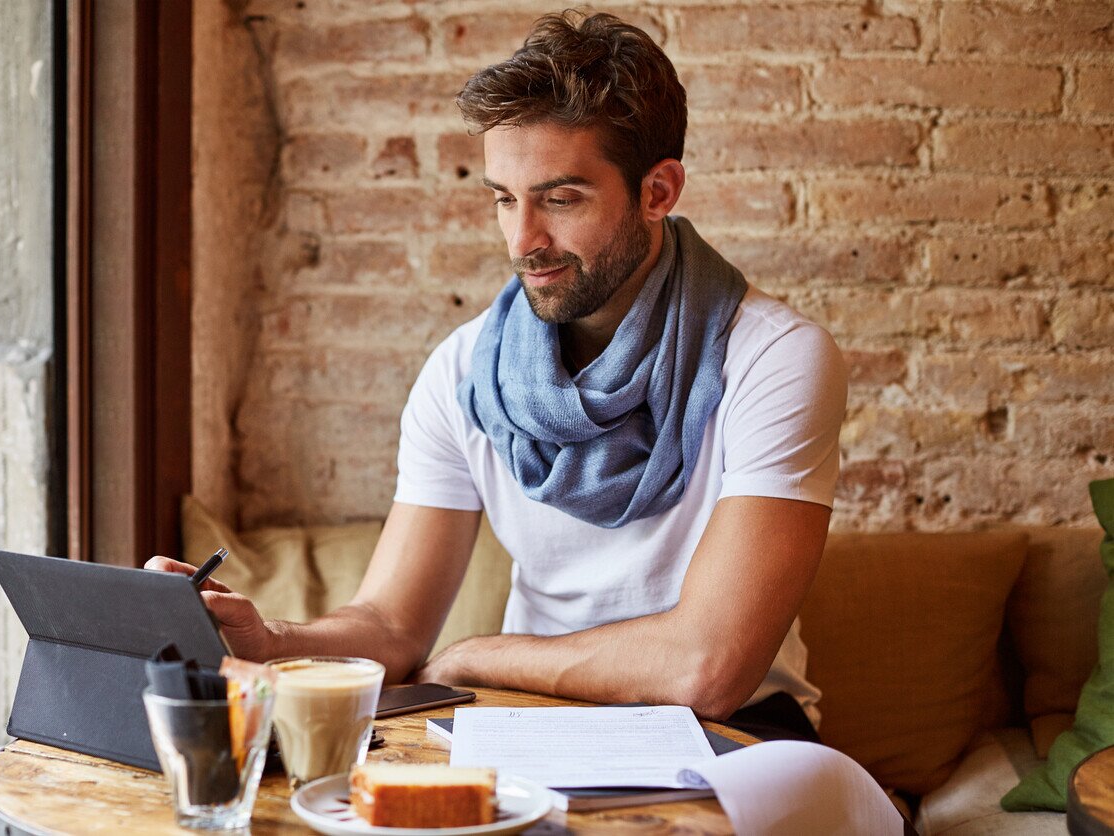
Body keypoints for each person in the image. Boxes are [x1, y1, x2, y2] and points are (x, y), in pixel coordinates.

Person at [148, 11, 847, 742]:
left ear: (658, 191)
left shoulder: (775, 360)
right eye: (504, 199)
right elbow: (391, 622)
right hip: (530, 723)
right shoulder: (463, 372)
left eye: (560, 199)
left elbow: (708, 669)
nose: (523, 241)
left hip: (737, 731)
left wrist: (479, 656)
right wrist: (271, 640)